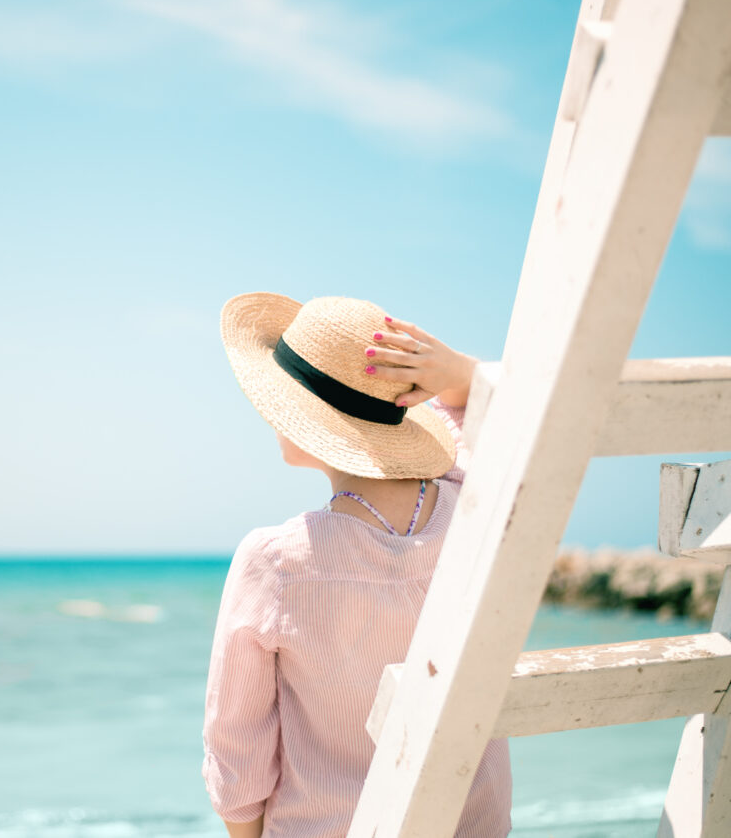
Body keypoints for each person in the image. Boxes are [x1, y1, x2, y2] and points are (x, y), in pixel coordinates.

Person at [204, 293, 512, 837]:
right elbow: (504, 411)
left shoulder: (276, 562)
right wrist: (457, 371)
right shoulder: (474, 503)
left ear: (301, 419)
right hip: (473, 823)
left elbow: (239, 751)